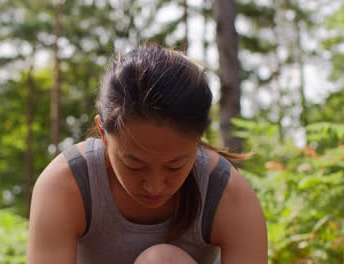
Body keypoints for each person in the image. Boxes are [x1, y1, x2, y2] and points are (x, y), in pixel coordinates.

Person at [26, 45, 268, 264]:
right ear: (103, 134)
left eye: (175, 166)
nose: (154, 186)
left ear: (198, 140)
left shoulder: (226, 191)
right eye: (134, 165)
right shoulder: (66, 184)